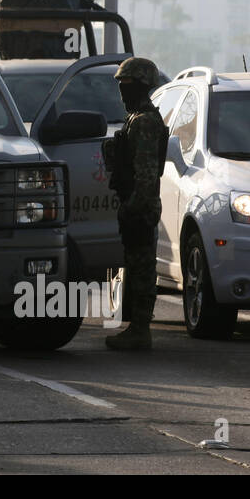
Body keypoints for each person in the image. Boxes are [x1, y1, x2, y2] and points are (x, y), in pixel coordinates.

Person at [101, 57, 169, 351]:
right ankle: (137, 327)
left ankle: (140, 330)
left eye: (126, 85)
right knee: (136, 265)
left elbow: (146, 173)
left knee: (142, 269)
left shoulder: (144, 123)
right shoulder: (138, 119)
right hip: (136, 202)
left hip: (140, 205)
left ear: (141, 86)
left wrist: (134, 207)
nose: (121, 92)